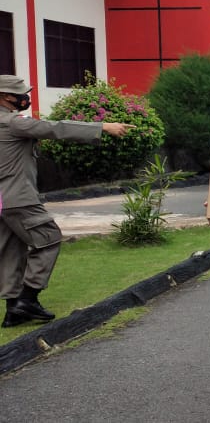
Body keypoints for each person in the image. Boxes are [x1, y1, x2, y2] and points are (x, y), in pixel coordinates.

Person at [1, 75, 134, 328]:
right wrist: (103, 127)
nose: (24, 97)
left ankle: (13, 312)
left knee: (12, 251)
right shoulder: (12, 123)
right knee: (48, 238)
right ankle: (27, 299)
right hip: (18, 197)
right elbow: (55, 128)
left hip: (3, 201)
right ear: (6, 97)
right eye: (19, 93)